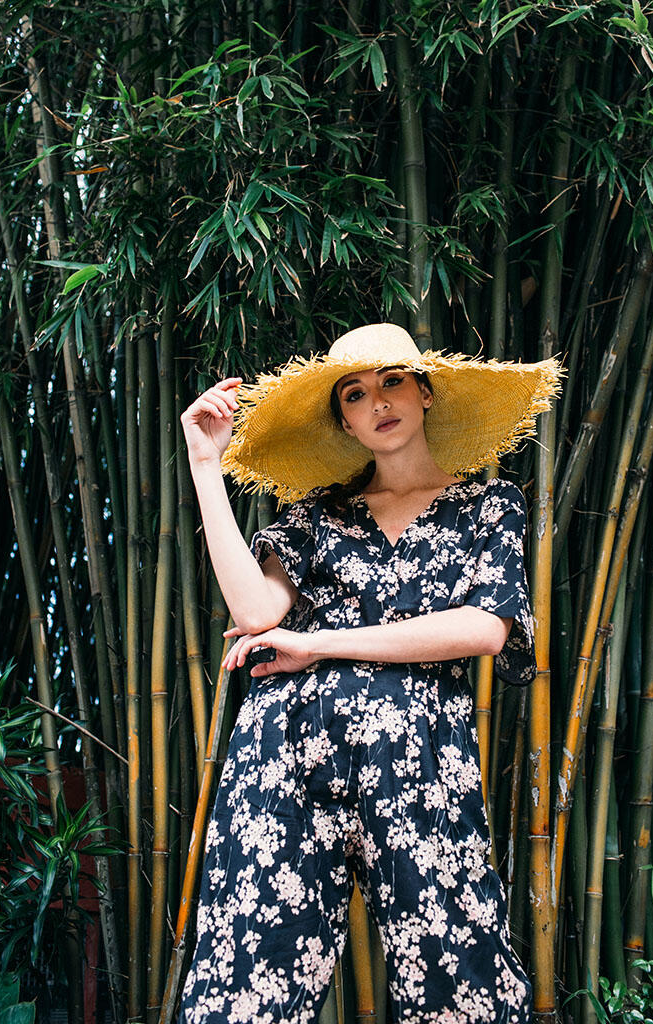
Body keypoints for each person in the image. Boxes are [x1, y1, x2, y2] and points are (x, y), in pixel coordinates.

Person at [178, 323, 561, 1024]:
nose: (377, 401)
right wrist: (207, 466)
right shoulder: (316, 517)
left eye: (392, 382)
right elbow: (256, 612)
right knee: (250, 974)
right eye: (354, 394)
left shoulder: (490, 507)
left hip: (421, 758)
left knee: (459, 970)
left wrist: (320, 643)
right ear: (345, 423)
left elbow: (484, 628)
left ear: (425, 392)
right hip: (286, 750)